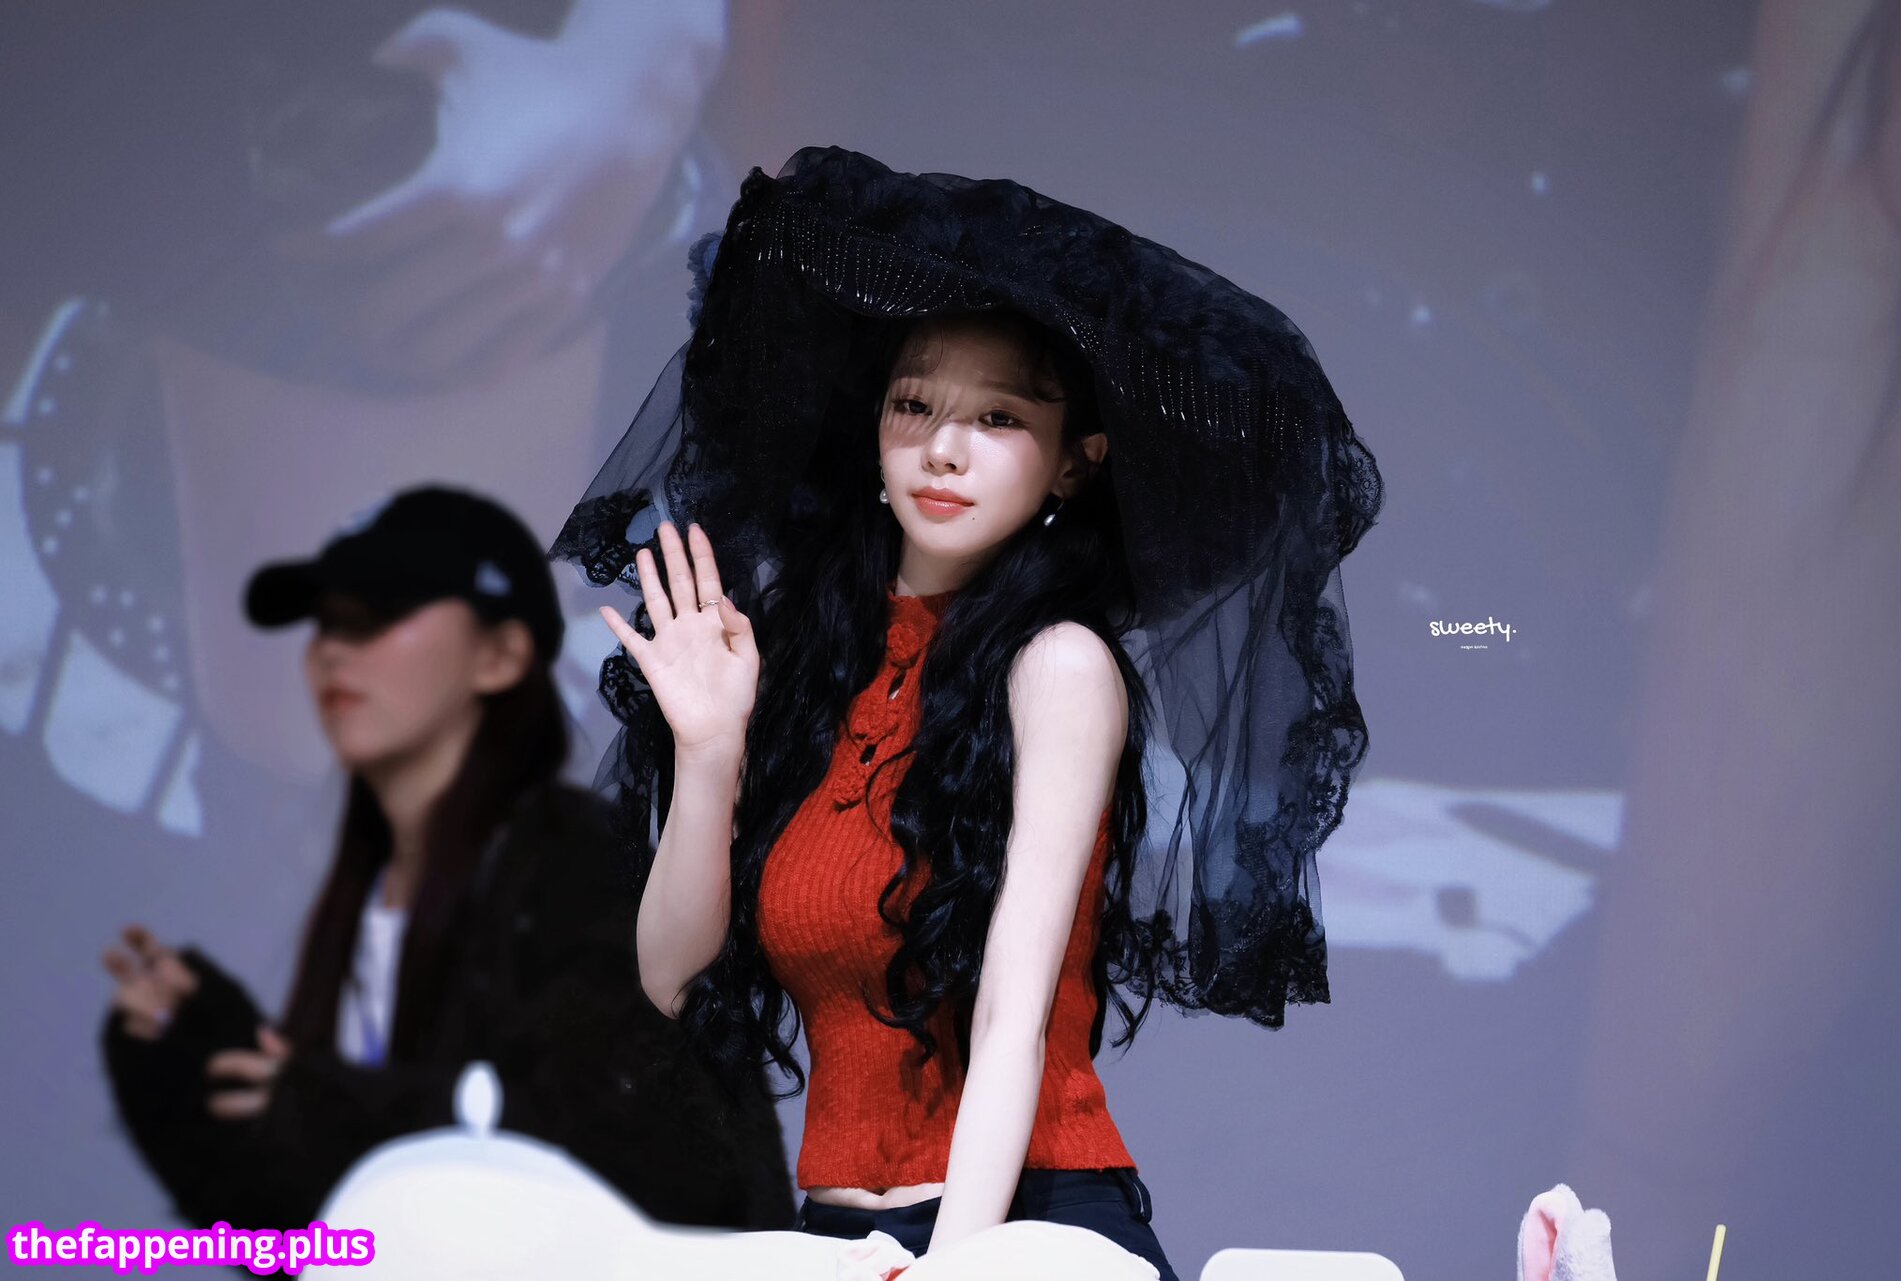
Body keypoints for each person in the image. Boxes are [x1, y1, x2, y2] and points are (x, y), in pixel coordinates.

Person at [550, 146, 1384, 1279]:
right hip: (838, 1240)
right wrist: (709, 752)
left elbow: (1013, 1019)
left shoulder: (1059, 667)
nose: (943, 448)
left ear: (1075, 465)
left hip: (1019, 1228)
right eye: (914, 404)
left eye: (998, 416)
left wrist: (953, 1267)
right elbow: (665, 975)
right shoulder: (810, 670)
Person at [99, 483, 796, 1235]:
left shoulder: (570, 864)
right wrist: (192, 1046)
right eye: (330, 620)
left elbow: (631, 1143)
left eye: (383, 619)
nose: (336, 648)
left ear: (498, 656)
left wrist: (337, 1102)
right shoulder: (338, 884)